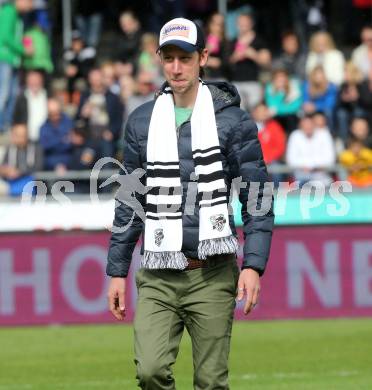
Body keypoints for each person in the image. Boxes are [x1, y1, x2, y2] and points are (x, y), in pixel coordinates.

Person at [106, 17, 274, 389]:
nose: (177, 67)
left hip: (212, 273)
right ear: (159, 60)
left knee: (211, 382)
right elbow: (130, 199)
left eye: (185, 57)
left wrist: (254, 266)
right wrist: (117, 270)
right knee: (150, 371)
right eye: (169, 58)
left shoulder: (234, 121)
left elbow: (257, 196)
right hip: (157, 273)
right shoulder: (140, 122)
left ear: (204, 57)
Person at [0, 0, 33, 132]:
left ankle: (5, 125)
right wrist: (23, 49)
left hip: (12, 59)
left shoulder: (17, 14)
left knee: (13, 93)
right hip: (4, 58)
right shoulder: (9, 11)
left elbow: (15, 35)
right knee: (4, 92)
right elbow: (5, 36)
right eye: (29, 1)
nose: (30, 5)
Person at [228, 13, 271, 111]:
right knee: (239, 113)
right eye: (240, 23)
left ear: (251, 24)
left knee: (255, 112)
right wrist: (236, 57)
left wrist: (253, 55)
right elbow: (227, 62)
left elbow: (267, 63)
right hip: (237, 83)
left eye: (245, 23)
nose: (242, 26)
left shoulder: (259, 41)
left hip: (254, 82)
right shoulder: (233, 41)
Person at [286, 114, 336, 186]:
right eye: (305, 125)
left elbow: (330, 159)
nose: (308, 127)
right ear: (300, 126)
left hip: (322, 179)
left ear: (314, 124)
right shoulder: (295, 135)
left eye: (310, 124)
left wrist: (310, 166)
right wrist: (313, 165)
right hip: (300, 179)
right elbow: (291, 160)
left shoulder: (324, 134)